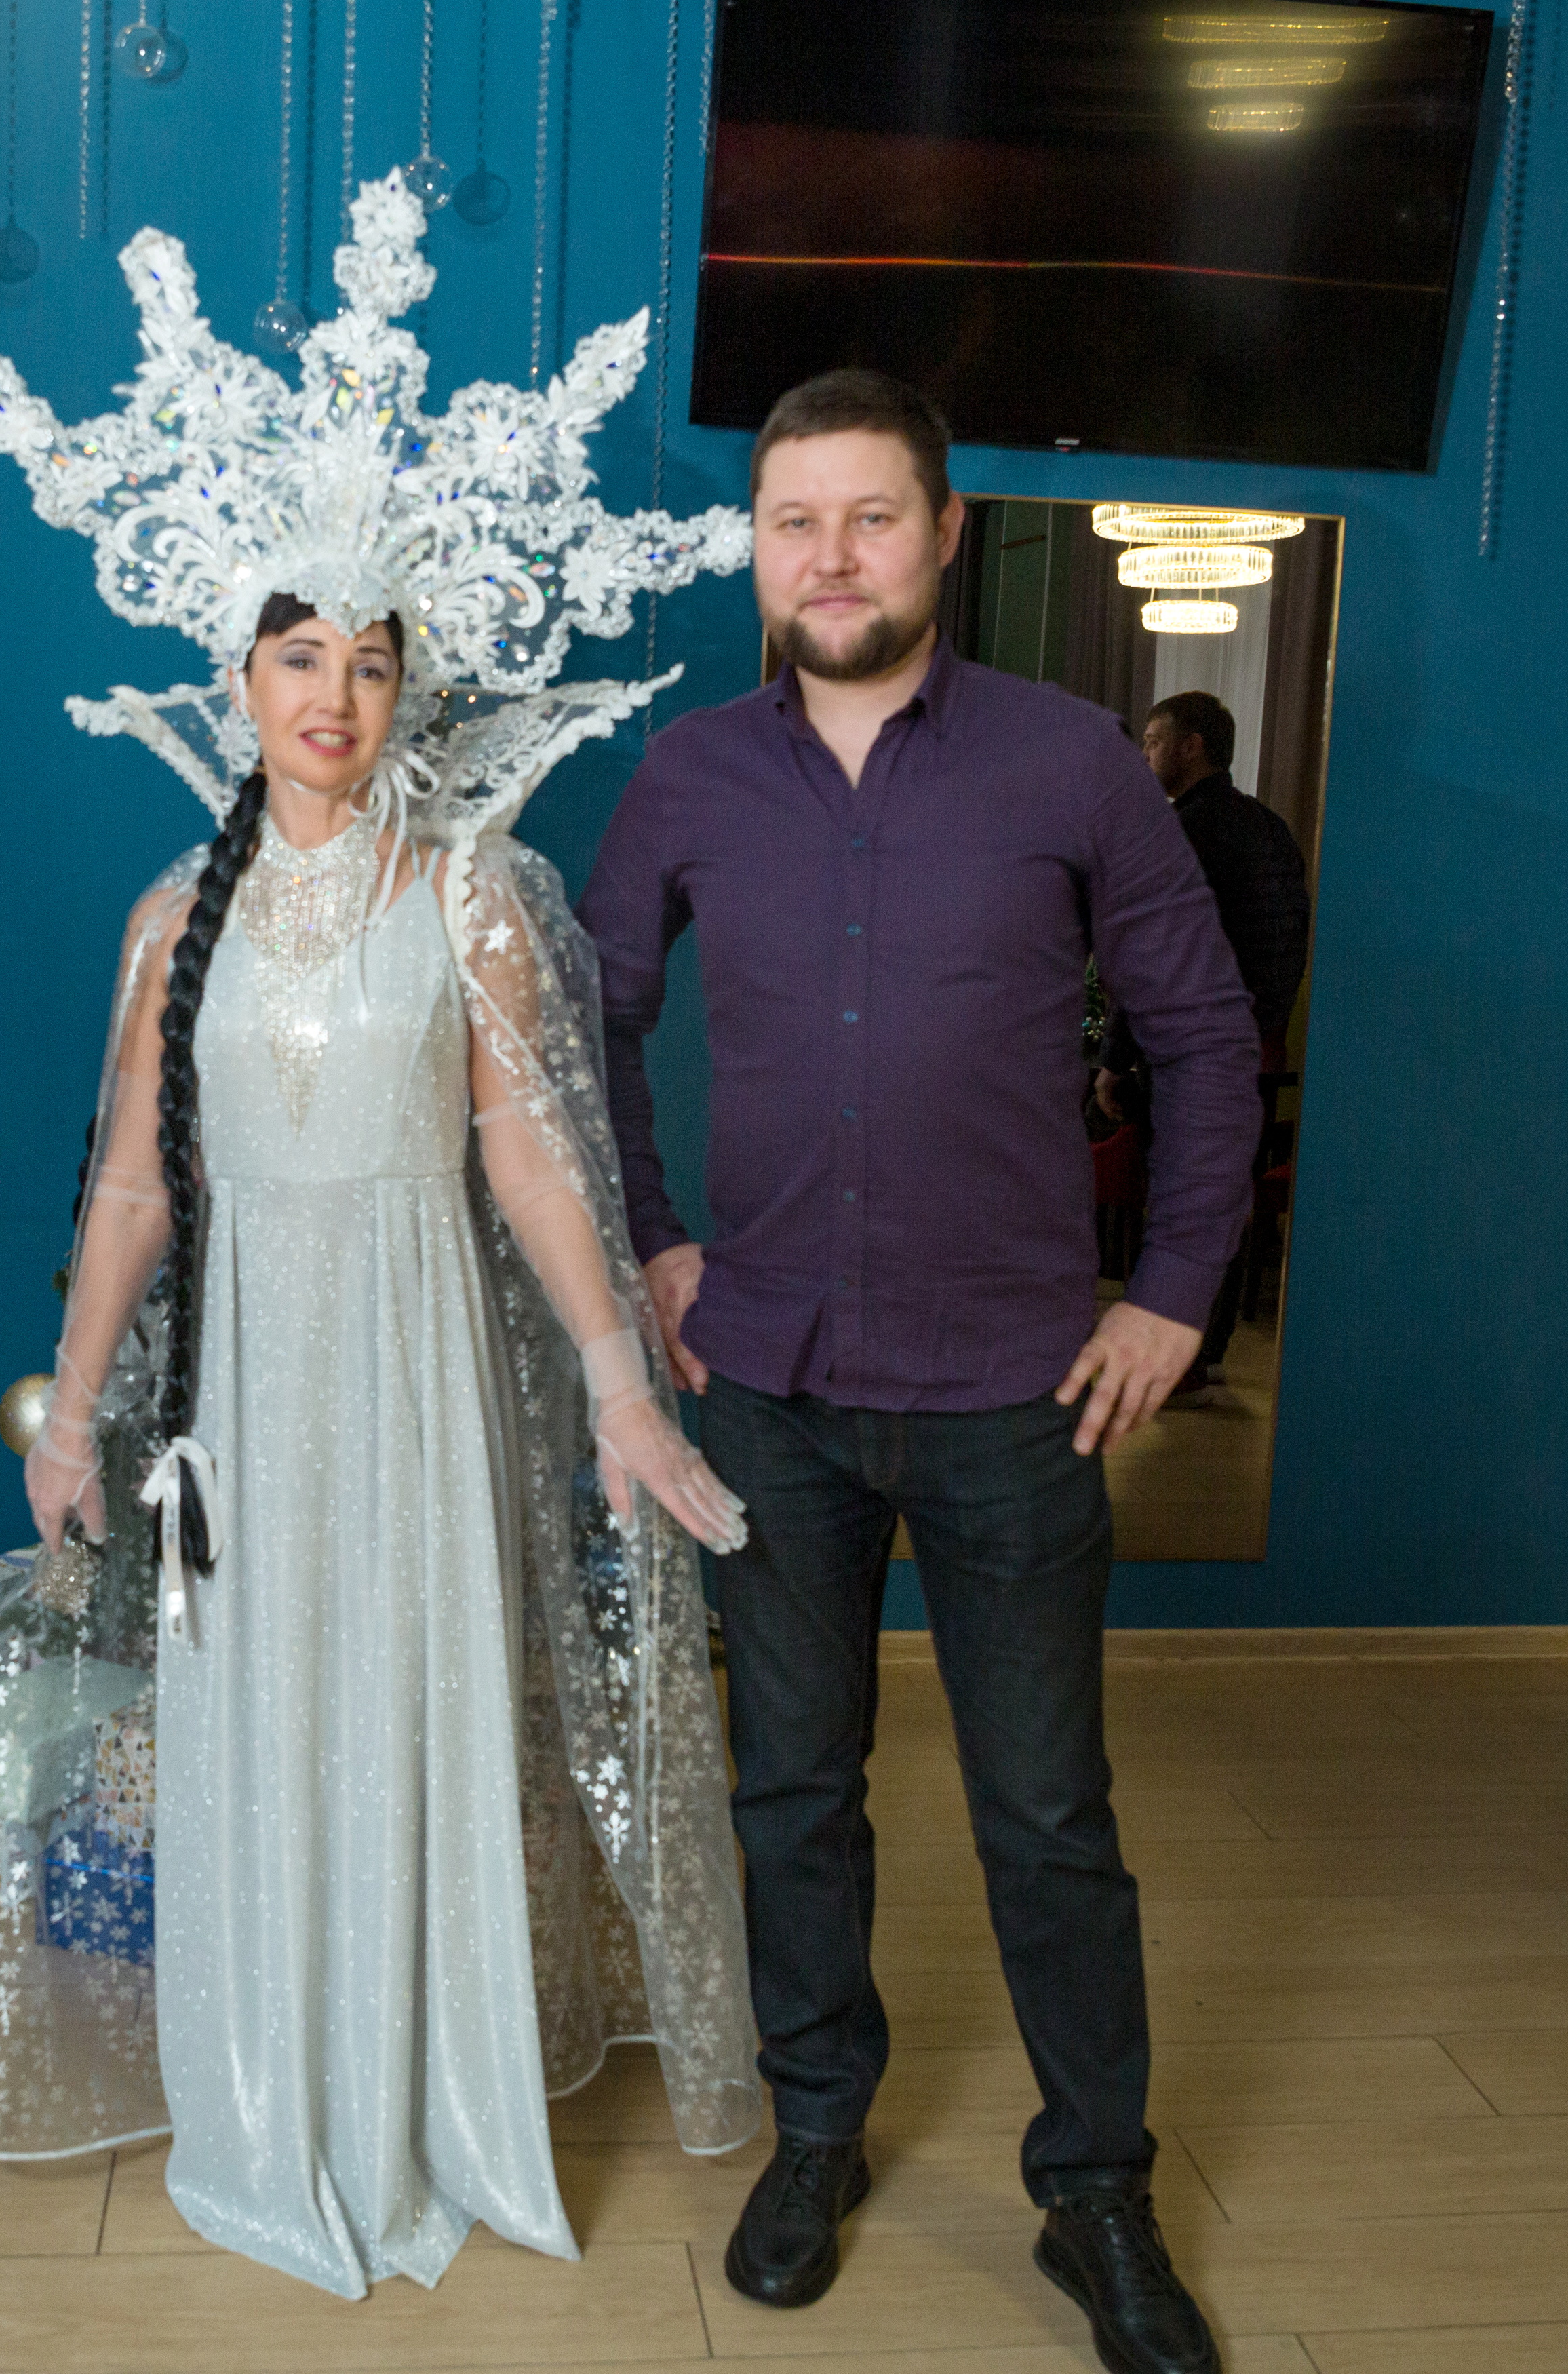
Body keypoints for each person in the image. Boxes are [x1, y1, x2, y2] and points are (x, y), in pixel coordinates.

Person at [0, 176, 762, 2301]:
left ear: (405, 688)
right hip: (243, 1392)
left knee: (408, 1710)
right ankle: (269, 2097)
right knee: (256, 1717)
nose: (338, 694)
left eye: (372, 662)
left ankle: (414, 2101)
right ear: (241, 669)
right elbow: (131, 1182)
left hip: (411, 1364)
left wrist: (616, 1382)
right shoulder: (165, 919)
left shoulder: (468, 893)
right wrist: (75, 1408)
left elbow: (534, 1160)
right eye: (302, 656)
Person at [579, 368, 1257, 2374]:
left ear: (943, 533)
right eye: (793, 521)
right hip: (769, 1390)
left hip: (1015, 1393)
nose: (830, 557)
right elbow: (580, 1027)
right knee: (791, 1789)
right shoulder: (689, 776)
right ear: (755, 547)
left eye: (869, 517)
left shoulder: (1071, 764)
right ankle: (816, 2131)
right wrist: (653, 1235)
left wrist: (1175, 1293)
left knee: (1045, 1811)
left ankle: (1093, 2184)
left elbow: (1203, 1036)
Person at [1096, 693, 1311, 1395]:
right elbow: (1290, 940)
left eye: (1153, 741)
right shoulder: (1270, 829)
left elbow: (1146, 953)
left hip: (1183, 1050)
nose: (1144, 756)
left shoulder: (1179, 833)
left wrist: (1113, 1059)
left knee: (1172, 1210)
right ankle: (1200, 1353)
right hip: (1252, 1051)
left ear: (1190, 747)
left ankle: (1165, 1361)